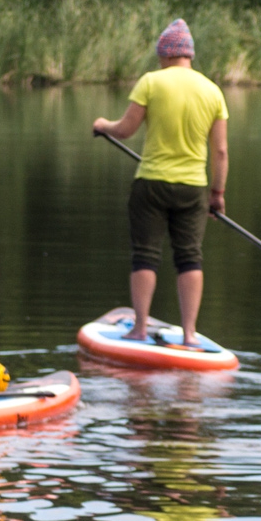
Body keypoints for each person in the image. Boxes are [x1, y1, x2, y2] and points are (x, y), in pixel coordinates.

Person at [92, 18, 228, 345]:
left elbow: (124, 130)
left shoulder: (151, 82)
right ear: (189, 55)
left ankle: (139, 328)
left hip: (151, 183)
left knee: (145, 255)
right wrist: (217, 194)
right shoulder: (213, 91)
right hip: (194, 187)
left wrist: (102, 124)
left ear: (165, 54)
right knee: (190, 257)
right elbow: (221, 152)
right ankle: (190, 334)